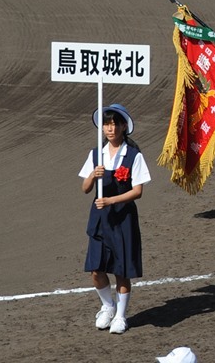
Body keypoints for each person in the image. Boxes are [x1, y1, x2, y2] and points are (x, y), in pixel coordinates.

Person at [79, 104, 151, 335]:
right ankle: (108, 306)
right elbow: (85, 188)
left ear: (123, 127)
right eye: (106, 124)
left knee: (121, 270)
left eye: (114, 124)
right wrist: (93, 175)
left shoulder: (133, 156)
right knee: (96, 269)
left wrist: (111, 201)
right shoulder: (95, 155)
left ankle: (121, 316)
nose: (110, 129)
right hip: (100, 219)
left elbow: (138, 191)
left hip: (123, 219)